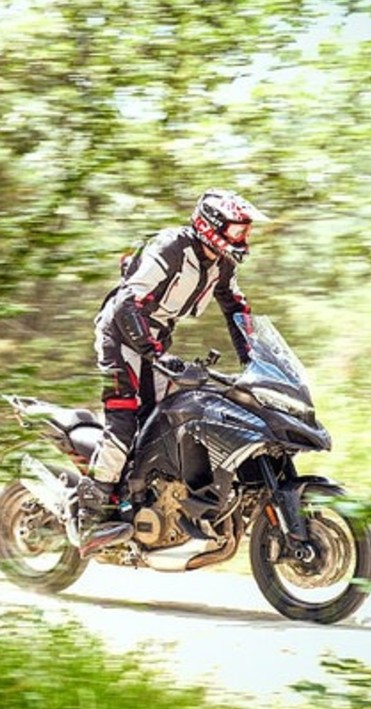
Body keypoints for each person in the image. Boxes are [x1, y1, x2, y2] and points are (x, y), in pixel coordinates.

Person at [74, 188, 269, 555]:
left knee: (164, 420)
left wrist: (255, 358)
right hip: (119, 336)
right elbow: (126, 304)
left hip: (154, 341)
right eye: (237, 229)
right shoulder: (170, 248)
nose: (243, 237)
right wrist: (156, 354)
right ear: (212, 225)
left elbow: (236, 309)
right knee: (124, 420)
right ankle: (91, 510)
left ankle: (139, 499)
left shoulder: (221, 264)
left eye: (246, 230)